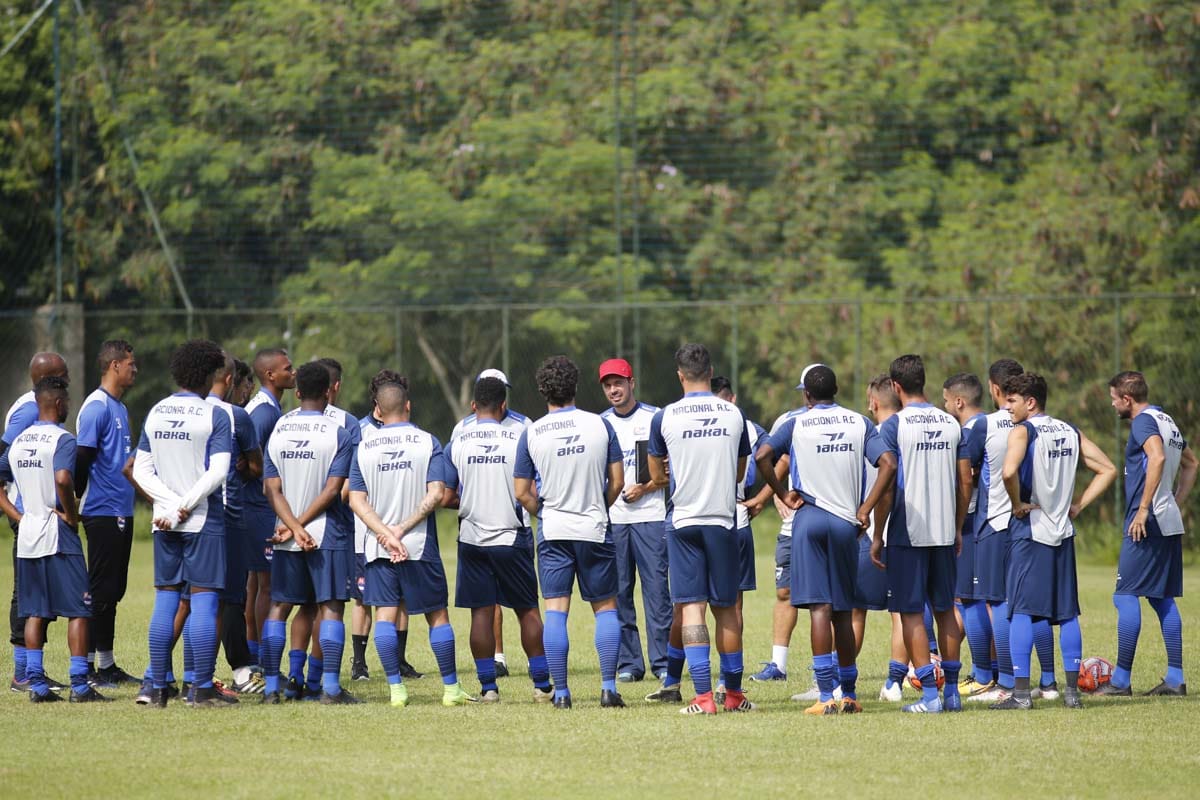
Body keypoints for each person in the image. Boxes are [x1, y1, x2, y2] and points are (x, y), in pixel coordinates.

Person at [757, 364, 893, 715]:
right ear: (837, 390)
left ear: (807, 395)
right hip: (846, 523)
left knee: (819, 607)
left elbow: (762, 456)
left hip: (811, 519)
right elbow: (889, 464)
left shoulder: (797, 422)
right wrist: (866, 508)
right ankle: (848, 694)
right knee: (843, 611)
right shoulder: (858, 422)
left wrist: (782, 493)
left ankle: (824, 697)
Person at [991, 373, 1117, 710]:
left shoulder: (1024, 430)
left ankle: (1019, 695)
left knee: (1020, 610)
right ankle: (1073, 694)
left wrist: (1017, 504)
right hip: (1062, 532)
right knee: (1067, 614)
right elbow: (1107, 468)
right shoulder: (1069, 430)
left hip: (1030, 531)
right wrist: (1078, 505)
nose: (1007, 406)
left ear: (1030, 402)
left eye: (1013, 400)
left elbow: (1007, 471)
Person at [348, 380, 473, 707]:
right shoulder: (426, 441)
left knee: (385, 616)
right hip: (419, 545)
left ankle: (396, 690)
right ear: (408, 405)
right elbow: (436, 494)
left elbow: (356, 501)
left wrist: (385, 534)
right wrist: (402, 529)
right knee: (437, 617)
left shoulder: (364, 446)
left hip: (379, 548)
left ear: (377, 410)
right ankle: (450, 690)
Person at [514, 355, 625, 709]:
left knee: (556, 611)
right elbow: (618, 480)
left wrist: (543, 513)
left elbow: (521, 491)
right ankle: (608, 689)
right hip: (593, 526)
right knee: (606, 608)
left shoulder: (532, 432)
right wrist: (598, 506)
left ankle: (561, 694)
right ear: (576, 386)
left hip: (555, 530)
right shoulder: (600, 425)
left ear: (543, 390)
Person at [648, 343, 752, 715]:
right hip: (723, 521)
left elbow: (656, 474)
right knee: (726, 609)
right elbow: (741, 473)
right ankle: (735, 694)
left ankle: (703, 698)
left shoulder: (664, 417)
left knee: (691, 608)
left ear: (680, 376)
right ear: (710, 372)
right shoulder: (733, 415)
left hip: (684, 521)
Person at [866, 354, 971, 713]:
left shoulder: (894, 426)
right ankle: (953, 693)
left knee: (911, 614)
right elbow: (964, 480)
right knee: (944, 611)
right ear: (923, 381)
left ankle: (929, 696)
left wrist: (878, 533)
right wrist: (957, 526)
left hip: (908, 535)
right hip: (943, 532)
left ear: (896, 387)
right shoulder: (951, 423)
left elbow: (889, 486)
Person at [132, 339, 233, 707]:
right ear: (209, 375)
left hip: (164, 523)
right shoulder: (214, 415)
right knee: (205, 602)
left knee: (166, 601)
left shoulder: (157, 411)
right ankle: (200, 689)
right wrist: (185, 506)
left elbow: (141, 470)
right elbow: (218, 472)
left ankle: (157, 688)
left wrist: (169, 505)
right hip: (202, 520)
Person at [0, 376, 108, 703]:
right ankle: (79, 684)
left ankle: (38, 686)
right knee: (80, 609)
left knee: (34, 610)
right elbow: (63, 478)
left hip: (29, 532)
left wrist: (18, 516)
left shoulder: (18, 442)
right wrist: (71, 515)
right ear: (59, 404)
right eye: (68, 402)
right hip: (57, 532)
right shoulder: (63, 440)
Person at [445, 376, 553, 703]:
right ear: (503, 405)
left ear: (473, 406)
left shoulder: (458, 440)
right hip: (512, 535)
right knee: (528, 611)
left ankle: (488, 688)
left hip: (472, 538)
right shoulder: (519, 437)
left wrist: (468, 504)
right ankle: (541, 685)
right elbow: (531, 489)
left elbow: (446, 495)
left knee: (480, 613)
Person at [259, 362, 356, 704]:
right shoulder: (338, 433)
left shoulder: (280, 429)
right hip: (326, 535)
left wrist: (291, 527)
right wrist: (302, 527)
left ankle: (272, 687)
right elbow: (332, 491)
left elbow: (271, 489)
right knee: (330, 607)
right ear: (329, 391)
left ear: (297, 392)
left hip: (285, 535)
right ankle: (329, 688)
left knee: (280, 606)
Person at [1097, 371, 1198, 696]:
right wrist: (1173, 500)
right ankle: (1174, 679)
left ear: (1127, 399)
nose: (1113, 404)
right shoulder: (1165, 419)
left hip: (1147, 521)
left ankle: (1121, 681)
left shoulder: (1142, 422)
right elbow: (1192, 463)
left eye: (1114, 398)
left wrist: (1143, 509)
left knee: (1124, 595)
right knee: (1160, 597)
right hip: (1166, 519)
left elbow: (1156, 457)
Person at [452, 367, 531, 679]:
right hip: (503, 527)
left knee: (511, 604)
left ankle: (530, 662)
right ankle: (499, 657)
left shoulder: (525, 425)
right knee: (496, 603)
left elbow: (448, 487)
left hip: (512, 523)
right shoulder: (461, 429)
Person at [70, 340, 139, 686]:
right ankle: (88, 670)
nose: (135, 369)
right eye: (130, 363)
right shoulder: (96, 407)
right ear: (114, 365)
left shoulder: (119, 408)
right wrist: (79, 498)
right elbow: (81, 458)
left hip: (121, 509)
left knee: (114, 589)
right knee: (100, 590)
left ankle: (107, 664)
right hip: (102, 511)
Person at [598, 357, 669, 684]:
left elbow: (673, 471)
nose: (614, 389)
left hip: (651, 518)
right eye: (607, 385)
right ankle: (629, 663)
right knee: (620, 593)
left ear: (632, 383)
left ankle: (663, 661)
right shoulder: (598, 425)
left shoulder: (655, 418)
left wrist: (647, 487)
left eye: (619, 383)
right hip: (613, 521)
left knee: (657, 594)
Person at [2, 352, 70, 692]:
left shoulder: (28, 403)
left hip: (38, 512)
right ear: (51, 378)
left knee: (38, 592)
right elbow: (5, 453)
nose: (69, 378)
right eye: (64, 373)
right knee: (26, 593)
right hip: (30, 512)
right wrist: (16, 511)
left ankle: (31, 670)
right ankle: (22, 673)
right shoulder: (31, 409)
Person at [355, 369, 422, 680]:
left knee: (399, 601)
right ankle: (359, 663)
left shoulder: (411, 434)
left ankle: (398, 662)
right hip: (371, 535)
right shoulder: (361, 433)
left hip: (392, 535)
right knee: (363, 600)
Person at [207, 352, 264, 694]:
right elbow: (255, 467)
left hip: (185, 516)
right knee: (231, 596)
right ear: (229, 380)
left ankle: (161, 676)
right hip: (227, 516)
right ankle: (242, 671)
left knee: (187, 599)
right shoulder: (236, 416)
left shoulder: (177, 412)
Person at [711, 375, 766, 701]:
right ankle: (727, 681)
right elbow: (770, 459)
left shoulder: (681, 418)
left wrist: (760, 499)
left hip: (700, 517)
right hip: (734, 517)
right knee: (733, 606)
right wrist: (761, 497)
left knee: (691, 606)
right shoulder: (748, 427)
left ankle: (688, 681)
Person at [856, 374, 909, 702]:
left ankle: (835, 679)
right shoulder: (914, 431)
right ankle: (894, 683)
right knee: (903, 611)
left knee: (854, 608)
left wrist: (871, 525)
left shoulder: (874, 436)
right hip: (913, 533)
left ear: (873, 402)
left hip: (878, 532)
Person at [243, 348, 295, 667]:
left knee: (255, 584)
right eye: (288, 368)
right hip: (258, 507)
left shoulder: (269, 407)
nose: (294, 372)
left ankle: (252, 652)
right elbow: (247, 457)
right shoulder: (264, 412)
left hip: (257, 506)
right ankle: (263, 657)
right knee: (267, 585)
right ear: (270, 375)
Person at [940, 373, 988, 693]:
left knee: (970, 599)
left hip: (973, 523)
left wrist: (956, 523)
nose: (944, 406)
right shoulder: (997, 422)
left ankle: (983, 674)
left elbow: (966, 479)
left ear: (959, 401)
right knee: (985, 599)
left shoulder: (969, 431)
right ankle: (992, 671)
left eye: (945, 400)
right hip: (995, 521)